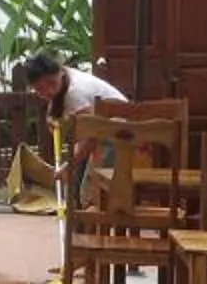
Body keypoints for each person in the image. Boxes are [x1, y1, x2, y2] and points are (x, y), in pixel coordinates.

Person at [11, 54, 131, 215]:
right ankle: (79, 221)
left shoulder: (76, 92)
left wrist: (68, 166)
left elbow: (92, 135)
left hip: (120, 131)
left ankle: (91, 226)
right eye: (40, 89)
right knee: (74, 179)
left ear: (60, 72)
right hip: (102, 128)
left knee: (90, 188)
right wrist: (51, 114)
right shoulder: (65, 76)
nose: (49, 91)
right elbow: (56, 99)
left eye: (52, 83)